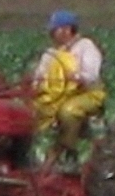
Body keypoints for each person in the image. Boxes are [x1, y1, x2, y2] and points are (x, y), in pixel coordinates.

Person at [32, 9, 107, 170]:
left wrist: (78, 77)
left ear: (67, 30)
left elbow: (92, 75)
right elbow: (40, 74)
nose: (52, 33)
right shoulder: (51, 54)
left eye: (55, 29)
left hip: (87, 94)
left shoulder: (85, 47)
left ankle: (68, 151)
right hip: (59, 95)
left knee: (68, 111)